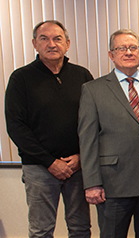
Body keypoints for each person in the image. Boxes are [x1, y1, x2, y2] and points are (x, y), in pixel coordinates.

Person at [5, 20, 92, 237]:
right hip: (39, 169)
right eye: (44, 39)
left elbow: (94, 122)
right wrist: (50, 162)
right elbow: (16, 126)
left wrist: (82, 157)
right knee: (41, 231)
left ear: (68, 43)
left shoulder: (82, 76)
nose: (51, 44)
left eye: (57, 38)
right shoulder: (21, 78)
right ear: (35, 44)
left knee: (81, 229)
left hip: (77, 167)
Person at [78, 29, 139, 238]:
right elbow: (87, 139)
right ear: (111, 55)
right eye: (121, 48)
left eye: (133, 48)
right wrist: (92, 183)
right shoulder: (93, 90)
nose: (128, 52)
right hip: (112, 183)